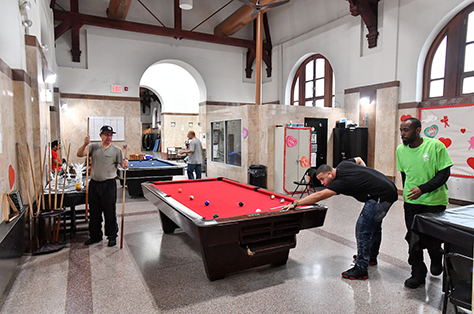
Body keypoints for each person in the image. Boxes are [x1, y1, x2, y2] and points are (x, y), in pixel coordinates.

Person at [283, 157, 397, 280]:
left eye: (322, 179)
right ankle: (371, 257)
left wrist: (296, 203)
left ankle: (361, 268)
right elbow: (358, 159)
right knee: (374, 226)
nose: (322, 183)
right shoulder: (343, 164)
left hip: (382, 195)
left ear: (330, 174)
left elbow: (320, 195)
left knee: (363, 228)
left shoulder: (340, 183)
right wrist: (365, 174)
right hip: (385, 189)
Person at [396, 117, 453, 289]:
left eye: (406, 130)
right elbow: (405, 175)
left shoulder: (436, 146)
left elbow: (444, 174)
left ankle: (436, 256)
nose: (402, 134)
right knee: (413, 238)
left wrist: (423, 188)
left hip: (434, 201)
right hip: (412, 202)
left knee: (432, 238)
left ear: (418, 130)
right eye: (401, 130)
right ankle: (418, 273)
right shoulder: (400, 150)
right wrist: (408, 193)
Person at [77, 125, 129, 247]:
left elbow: (122, 164)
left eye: (111, 134)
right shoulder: (94, 147)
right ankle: (95, 236)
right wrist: (85, 144)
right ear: (100, 135)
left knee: (109, 211)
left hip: (109, 185)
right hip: (94, 184)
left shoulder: (116, 150)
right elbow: (79, 154)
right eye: (106, 134)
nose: (109, 137)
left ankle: (111, 236)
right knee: (94, 212)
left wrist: (125, 163)